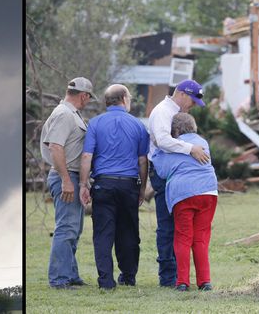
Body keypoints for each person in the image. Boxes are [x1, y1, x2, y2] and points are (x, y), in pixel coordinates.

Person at [78, 84, 149, 289]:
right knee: (128, 231)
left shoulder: (95, 123)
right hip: (128, 185)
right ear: (124, 99)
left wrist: (84, 184)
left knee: (103, 234)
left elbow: (86, 156)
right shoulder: (137, 125)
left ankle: (106, 281)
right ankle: (128, 276)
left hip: (103, 184)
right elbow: (142, 160)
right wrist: (142, 188)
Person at [147, 79, 209, 287]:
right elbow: (163, 141)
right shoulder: (163, 111)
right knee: (167, 224)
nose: (192, 106)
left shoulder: (174, 113)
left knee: (180, 227)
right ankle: (168, 276)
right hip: (164, 172)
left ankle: (179, 276)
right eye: (191, 101)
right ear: (182, 94)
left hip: (179, 173)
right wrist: (191, 148)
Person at [151, 113, 218, 292]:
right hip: (208, 191)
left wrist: (157, 148)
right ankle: (205, 281)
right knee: (201, 238)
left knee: (183, 237)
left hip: (183, 194)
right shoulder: (202, 142)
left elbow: (163, 172)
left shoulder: (172, 146)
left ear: (177, 130)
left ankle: (182, 282)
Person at [40, 76, 96, 290]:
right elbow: (55, 147)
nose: (88, 101)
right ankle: (59, 279)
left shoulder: (71, 114)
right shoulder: (65, 114)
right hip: (66, 176)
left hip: (72, 176)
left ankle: (71, 274)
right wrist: (66, 180)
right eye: (89, 98)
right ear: (84, 95)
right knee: (66, 228)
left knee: (74, 228)